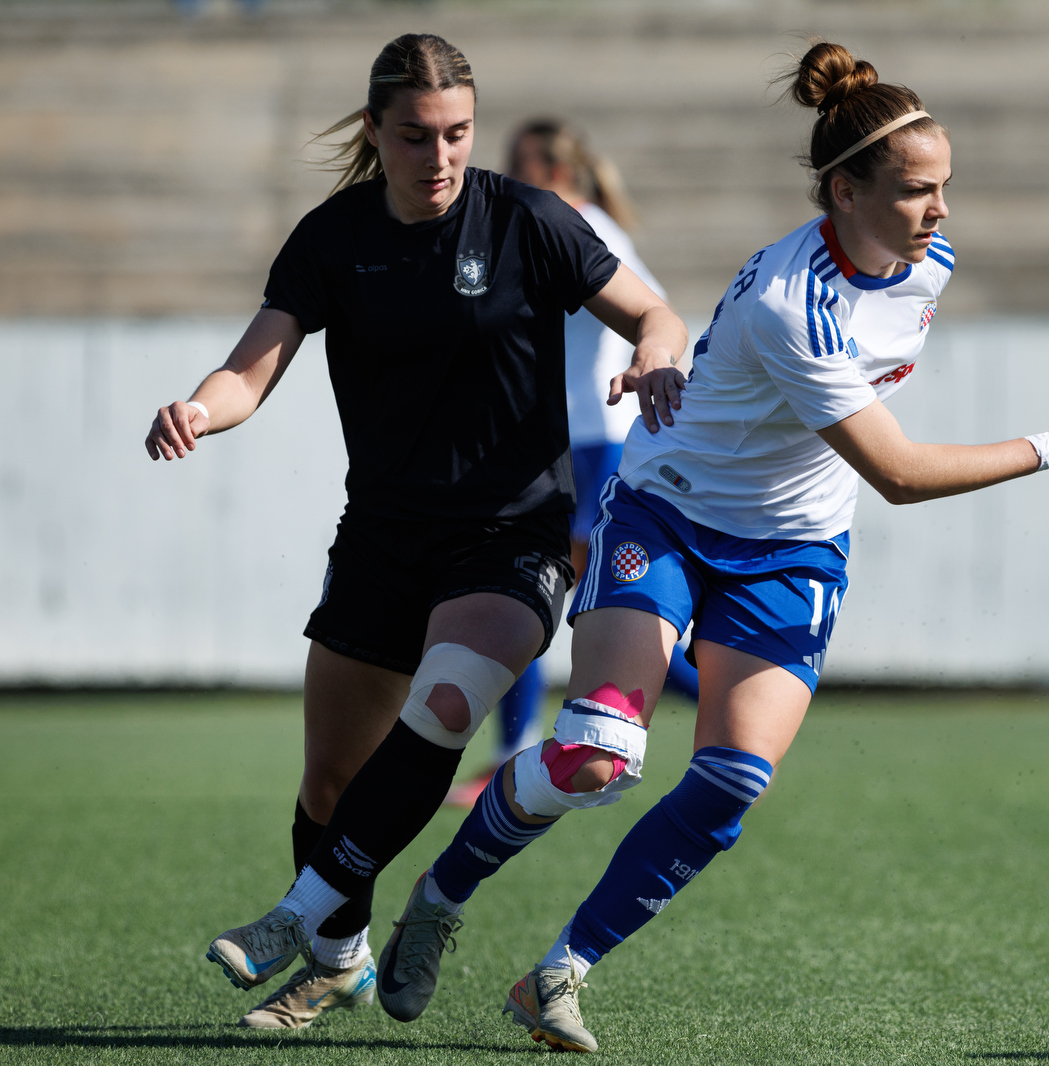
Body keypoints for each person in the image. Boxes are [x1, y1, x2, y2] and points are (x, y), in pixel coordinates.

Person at [262, 40, 1049, 1047]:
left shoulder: (925, 259)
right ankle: (443, 894)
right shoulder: (787, 307)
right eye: (914, 191)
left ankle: (559, 969)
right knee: (599, 753)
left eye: (943, 188)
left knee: (729, 786)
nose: (938, 212)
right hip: (669, 513)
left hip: (793, 551)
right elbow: (895, 473)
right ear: (841, 193)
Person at [146, 33, 686, 1029]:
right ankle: (339, 956)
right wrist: (198, 408)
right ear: (374, 132)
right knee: (328, 782)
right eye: (415, 136)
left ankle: (297, 919)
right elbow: (252, 365)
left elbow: (652, 309)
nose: (438, 158)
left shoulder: (528, 218)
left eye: (457, 135)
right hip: (384, 536)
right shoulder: (331, 236)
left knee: (443, 705)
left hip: (512, 537)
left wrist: (656, 349)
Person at [446, 118, 699, 809]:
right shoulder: (539, 227)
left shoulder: (580, 226)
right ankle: (724, 707)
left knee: (538, 591)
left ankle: (724, 703)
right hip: (559, 442)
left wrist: (649, 356)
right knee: (568, 597)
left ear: (554, 172)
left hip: (592, 444)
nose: (505, 176)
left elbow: (656, 312)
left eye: (518, 165)